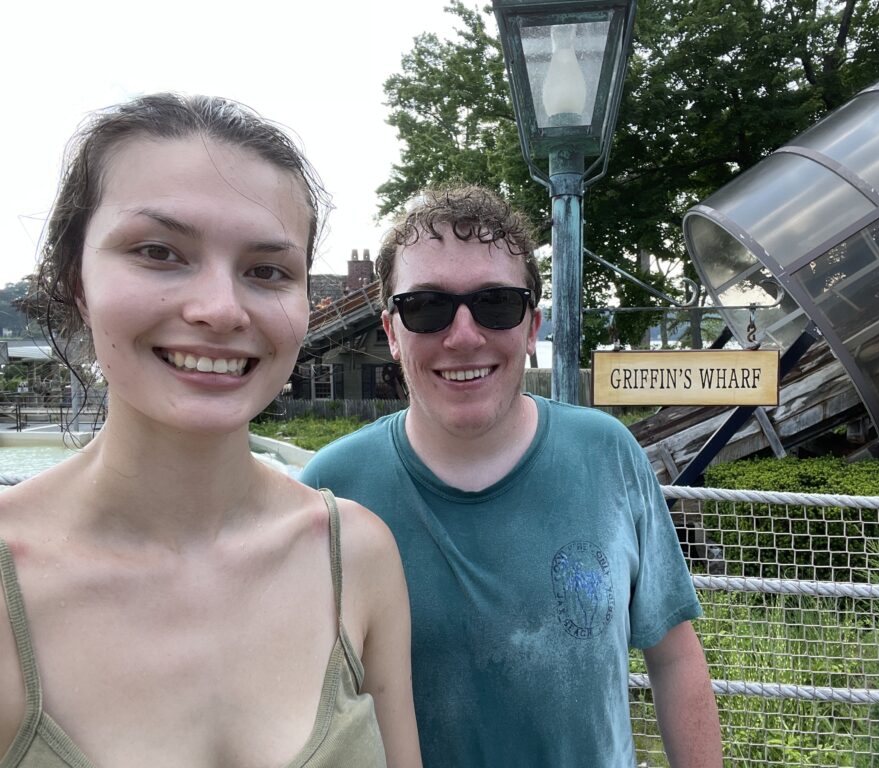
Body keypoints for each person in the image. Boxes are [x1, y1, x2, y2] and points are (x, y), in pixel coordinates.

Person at [0, 93, 421, 768]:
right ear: (76, 279)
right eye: (160, 251)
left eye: (266, 271)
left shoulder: (358, 558)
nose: (222, 310)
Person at [300, 185, 723, 766]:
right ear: (393, 332)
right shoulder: (330, 492)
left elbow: (674, 658)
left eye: (496, 303)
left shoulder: (608, 456)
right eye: (426, 306)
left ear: (531, 328)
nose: (465, 334)